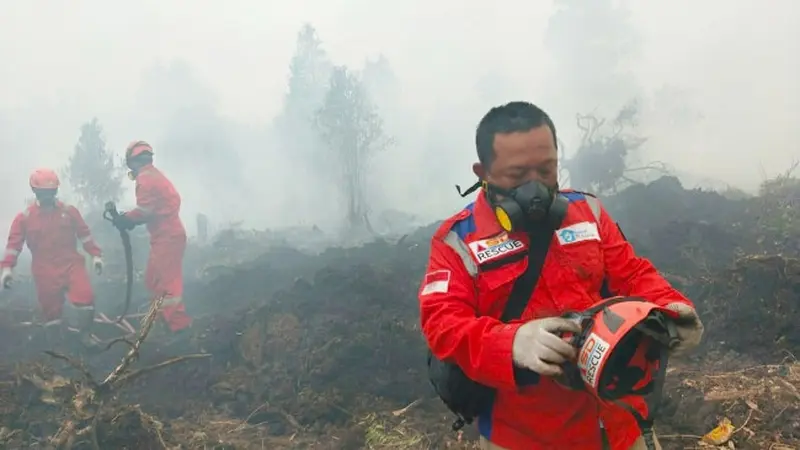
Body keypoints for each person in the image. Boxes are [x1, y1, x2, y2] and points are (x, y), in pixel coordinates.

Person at [418, 102, 704, 450]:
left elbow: (631, 273)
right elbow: (442, 325)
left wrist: (670, 307)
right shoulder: (458, 241)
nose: (535, 187)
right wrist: (511, 343)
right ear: (484, 172)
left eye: (546, 170)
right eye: (518, 175)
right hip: (524, 436)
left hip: (617, 424)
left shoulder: (587, 213)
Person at [0, 168, 103, 346]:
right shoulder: (24, 218)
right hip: (44, 270)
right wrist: (7, 268)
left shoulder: (69, 211)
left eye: (51, 192)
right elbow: (13, 245)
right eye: (44, 192)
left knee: (85, 298)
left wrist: (95, 255)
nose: (48, 196)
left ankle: (85, 336)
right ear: (35, 191)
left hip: (72, 264)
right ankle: (56, 348)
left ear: (56, 190)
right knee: (51, 310)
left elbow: (84, 234)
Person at [110, 140, 192, 333]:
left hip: (167, 237)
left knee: (167, 284)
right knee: (153, 279)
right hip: (165, 236)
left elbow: (146, 210)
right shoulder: (153, 175)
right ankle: (162, 320)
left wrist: (126, 220)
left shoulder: (145, 179)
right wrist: (128, 218)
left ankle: (179, 329)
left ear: (132, 162)